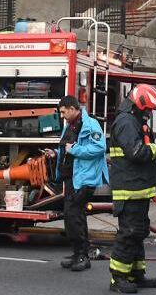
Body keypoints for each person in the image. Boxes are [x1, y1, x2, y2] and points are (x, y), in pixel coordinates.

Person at [107, 84, 156, 293]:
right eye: (148, 110)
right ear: (139, 104)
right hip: (129, 189)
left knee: (138, 232)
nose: (149, 114)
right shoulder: (126, 122)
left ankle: (135, 274)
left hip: (138, 188)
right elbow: (135, 152)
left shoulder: (134, 120)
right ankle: (118, 278)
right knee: (129, 233)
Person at [51, 95, 107, 272]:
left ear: (72, 108)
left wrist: (75, 149)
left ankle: (82, 255)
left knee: (74, 215)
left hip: (83, 179)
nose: (62, 116)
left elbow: (99, 148)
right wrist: (55, 153)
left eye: (63, 112)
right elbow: (65, 148)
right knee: (72, 216)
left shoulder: (90, 125)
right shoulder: (71, 125)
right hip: (72, 178)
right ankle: (78, 253)